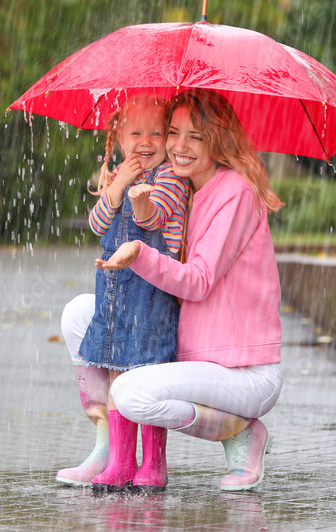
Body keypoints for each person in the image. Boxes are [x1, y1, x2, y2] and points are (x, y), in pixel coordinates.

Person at [61, 89, 284, 492]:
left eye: (195, 137)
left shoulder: (235, 193)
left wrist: (139, 254)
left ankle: (241, 431)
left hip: (242, 372)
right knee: (79, 313)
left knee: (130, 390)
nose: (179, 146)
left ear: (218, 140)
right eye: (174, 133)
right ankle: (109, 448)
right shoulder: (187, 188)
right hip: (195, 357)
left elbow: (196, 281)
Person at [56, 94, 189, 493]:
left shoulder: (170, 179)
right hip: (116, 297)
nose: (146, 140)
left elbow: (157, 219)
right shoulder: (116, 177)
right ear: (118, 137)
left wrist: (141, 200)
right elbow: (99, 226)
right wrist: (116, 190)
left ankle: (154, 461)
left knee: (145, 379)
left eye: (156, 132)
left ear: (167, 139)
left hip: (152, 299)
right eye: (136, 132)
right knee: (117, 376)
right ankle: (119, 459)